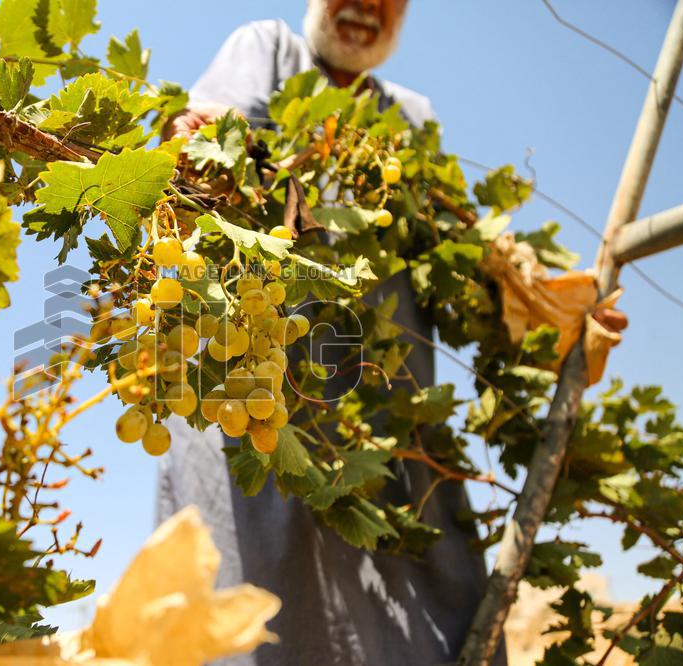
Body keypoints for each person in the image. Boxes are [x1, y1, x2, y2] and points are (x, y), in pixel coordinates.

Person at [157, 2, 509, 664]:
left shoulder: (411, 116)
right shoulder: (266, 48)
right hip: (256, 403)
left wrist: (546, 302)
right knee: (254, 611)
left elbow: (467, 260)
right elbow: (211, 138)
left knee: (424, 619)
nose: (365, 7)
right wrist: (197, 139)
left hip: (382, 427)